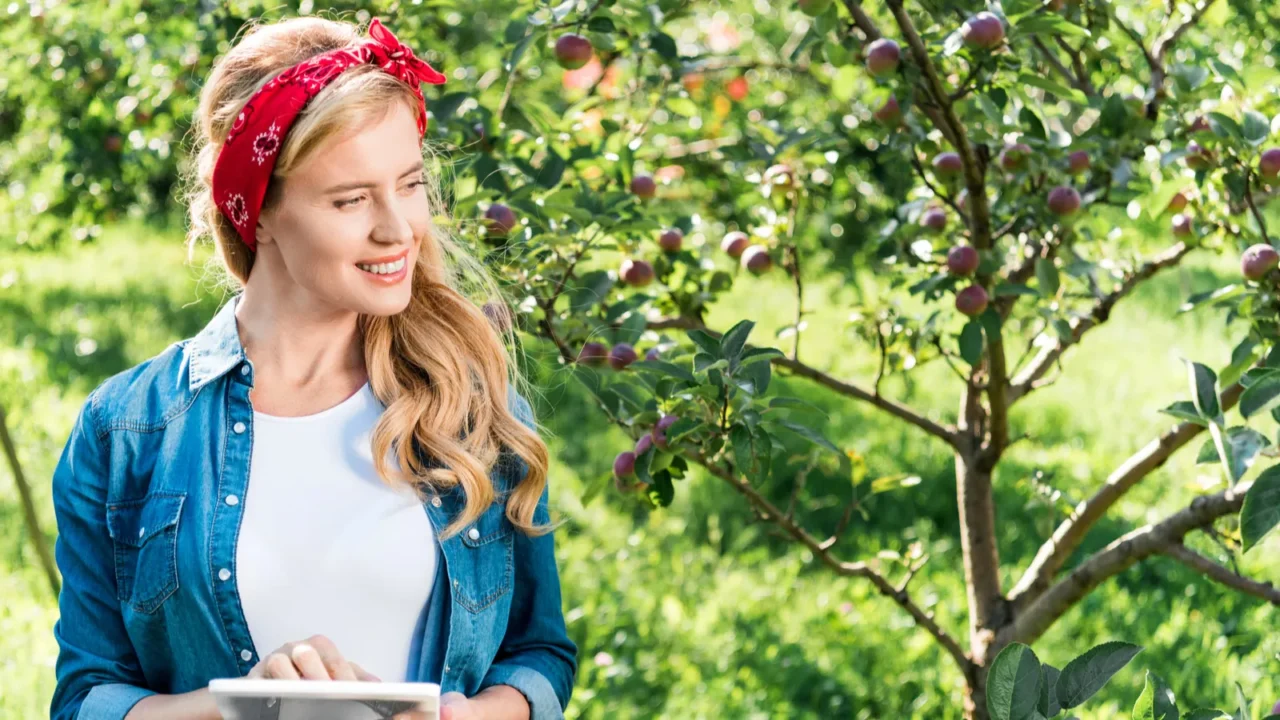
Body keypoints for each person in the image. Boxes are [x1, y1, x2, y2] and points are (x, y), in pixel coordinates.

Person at [48, 14, 577, 720]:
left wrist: (471, 717)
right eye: (351, 199)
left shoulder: (470, 399)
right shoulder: (127, 429)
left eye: (410, 184)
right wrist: (239, 706)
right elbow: (86, 696)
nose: (399, 228)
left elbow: (540, 656)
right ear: (257, 213)